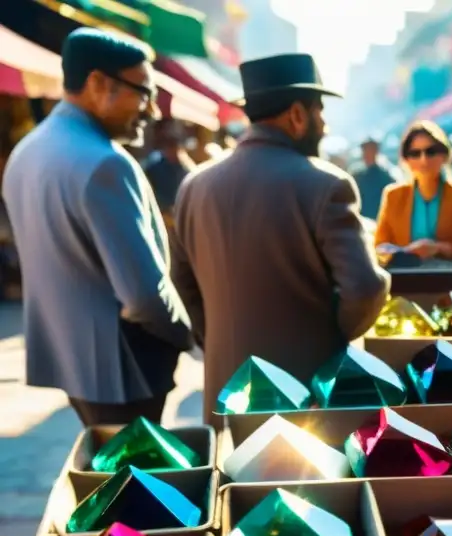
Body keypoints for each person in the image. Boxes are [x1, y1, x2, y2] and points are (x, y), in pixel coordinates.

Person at [170, 53, 390, 422]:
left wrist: (218, 340)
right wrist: (329, 338)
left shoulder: (194, 185)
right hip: (304, 392)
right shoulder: (327, 184)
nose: (324, 124)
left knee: (234, 477)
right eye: (319, 111)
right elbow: (365, 288)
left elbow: (183, 282)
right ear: (297, 115)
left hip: (226, 388)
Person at [1, 28, 191, 427]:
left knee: (111, 478)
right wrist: (186, 334)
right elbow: (143, 296)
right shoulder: (105, 162)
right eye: (144, 92)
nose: (152, 110)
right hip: (126, 368)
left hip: (76, 363)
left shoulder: (26, 151)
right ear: (98, 84)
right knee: (139, 484)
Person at [375, 121, 452, 262]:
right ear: (406, 159)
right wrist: (401, 252)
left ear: (444, 155)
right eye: (415, 153)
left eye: (430, 152)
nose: (423, 160)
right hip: (404, 279)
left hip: (450, 279)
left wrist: (438, 248)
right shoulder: (393, 195)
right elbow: (379, 246)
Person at [142, 119, 196, 226]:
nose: (174, 151)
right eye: (170, 146)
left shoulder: (185, 167)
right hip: (161, 217)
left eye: (176, 146)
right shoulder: (153, 165)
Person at [350, 135, 401, 220]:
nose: (367, 153)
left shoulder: (386, 177)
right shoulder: (356, 175)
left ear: (376, 151)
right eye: (365, 149)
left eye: (371, 149)